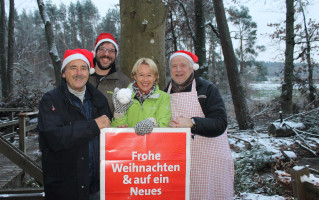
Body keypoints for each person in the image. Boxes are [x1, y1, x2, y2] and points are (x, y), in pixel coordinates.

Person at [38, 49, 112, 200]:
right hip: (65, 189)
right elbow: (55, 139)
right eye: (73, 68)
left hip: (97, 188)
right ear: (64, 73)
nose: (79, 72)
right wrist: (92, 126)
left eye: (83, 68)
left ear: (88, 72)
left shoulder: (99, 100)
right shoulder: (50, 101)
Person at [166, 50, 234, 199]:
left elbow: (220, 123)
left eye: (183, 65)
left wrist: (192, 122)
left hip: (210, 160)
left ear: (192, 68)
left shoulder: (207, 89)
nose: (178, 70)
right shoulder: (165, 92)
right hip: (180, 161)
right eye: (174, 66)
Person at [111, 58, 171, 135]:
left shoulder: (163, 97)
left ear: (155, 77)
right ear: (135, 76)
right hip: (130, 144)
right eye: (141, 75)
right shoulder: (125, 97)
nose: (145, 79)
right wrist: (119, 114)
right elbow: (116, 129)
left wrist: (153, 122)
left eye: (149, 75)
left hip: (153, 144)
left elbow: (164, 123)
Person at [89, 33, 130, 115]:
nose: (106, 54)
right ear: (95, 52)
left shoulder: (124, 82)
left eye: (111, 51)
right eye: (102, 49)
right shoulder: (84, 79)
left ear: (115, 55)